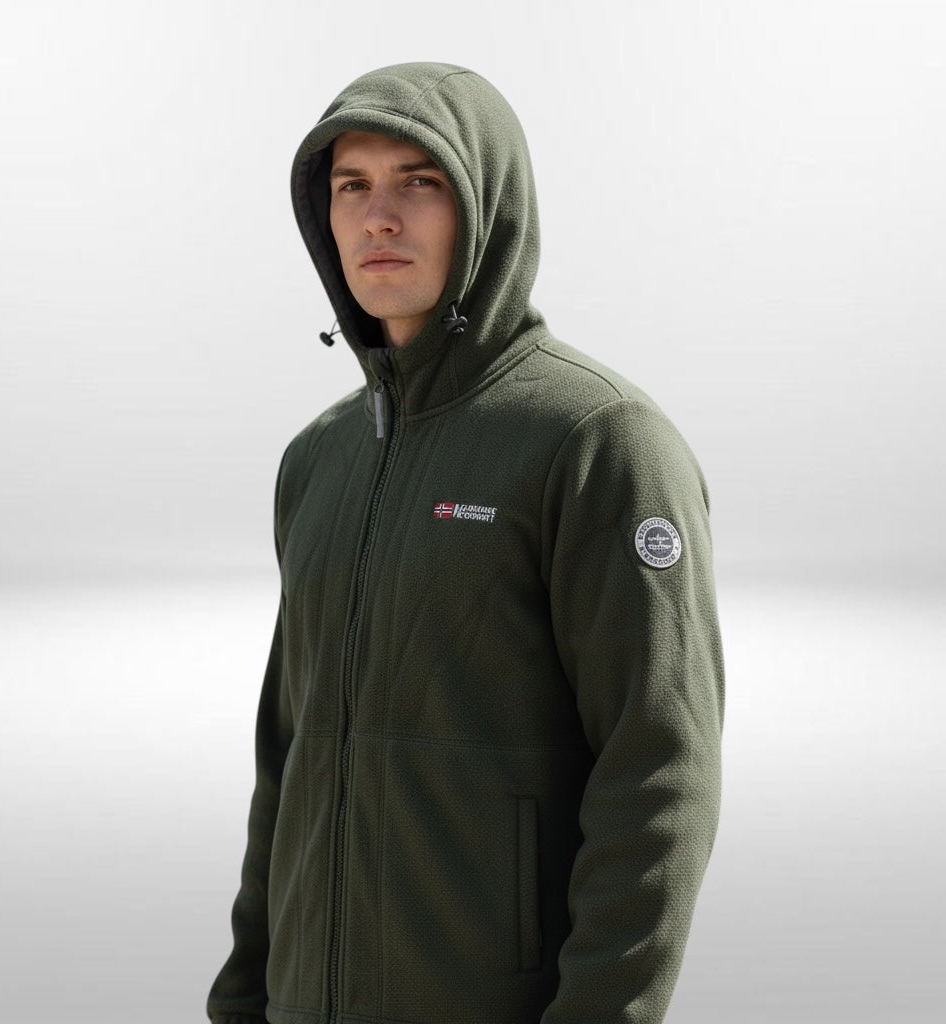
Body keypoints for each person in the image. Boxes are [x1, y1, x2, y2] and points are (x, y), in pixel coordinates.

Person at [207, 62, 723, 1024]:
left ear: (488, 205)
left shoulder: (599, 440)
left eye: (420, 181)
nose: (379, 217)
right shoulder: (317, 458)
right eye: (351, 186)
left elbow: (658, 772)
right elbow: (288, 758)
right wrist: (242, 998)